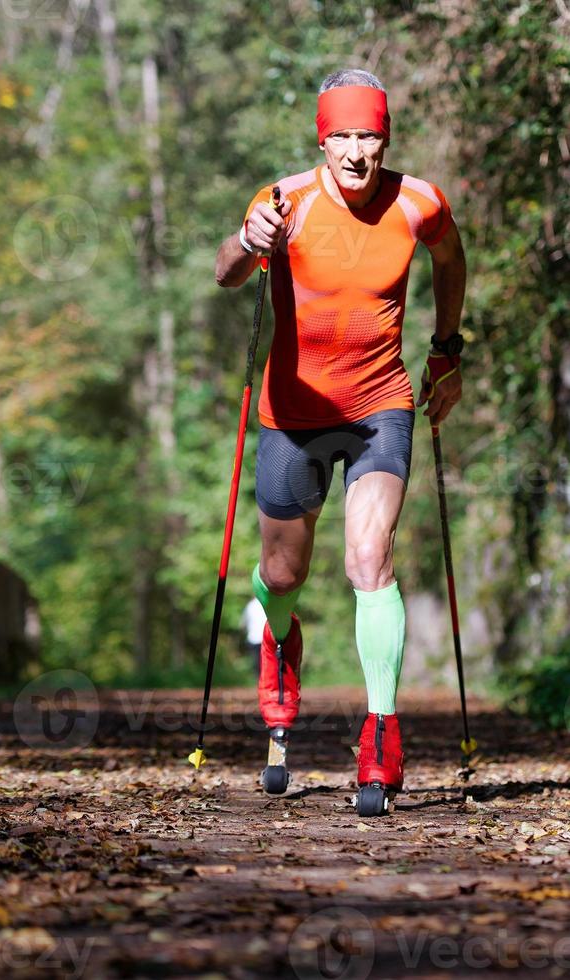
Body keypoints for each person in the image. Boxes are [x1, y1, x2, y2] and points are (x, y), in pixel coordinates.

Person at [215, 69, 466, 801]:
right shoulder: (280, 201)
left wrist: (446, 350)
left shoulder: (418, 202)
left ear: (385, 136)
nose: (357, 152)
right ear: (321, 138)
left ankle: (380, 735)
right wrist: (244, 237)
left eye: (370, 135)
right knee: (284, 576)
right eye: (343, 136)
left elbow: (450, 260)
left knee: (368, 559)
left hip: (378, 406)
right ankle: (279, 639)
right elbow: (227, 274)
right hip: (291, 414)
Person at [240, 597, 266, 673]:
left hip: (253, 638)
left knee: (256, 662)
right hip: (266, 638)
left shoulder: (249, 605)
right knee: (267, 661)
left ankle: (259, 681)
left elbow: (243, 624)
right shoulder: (267, 604)